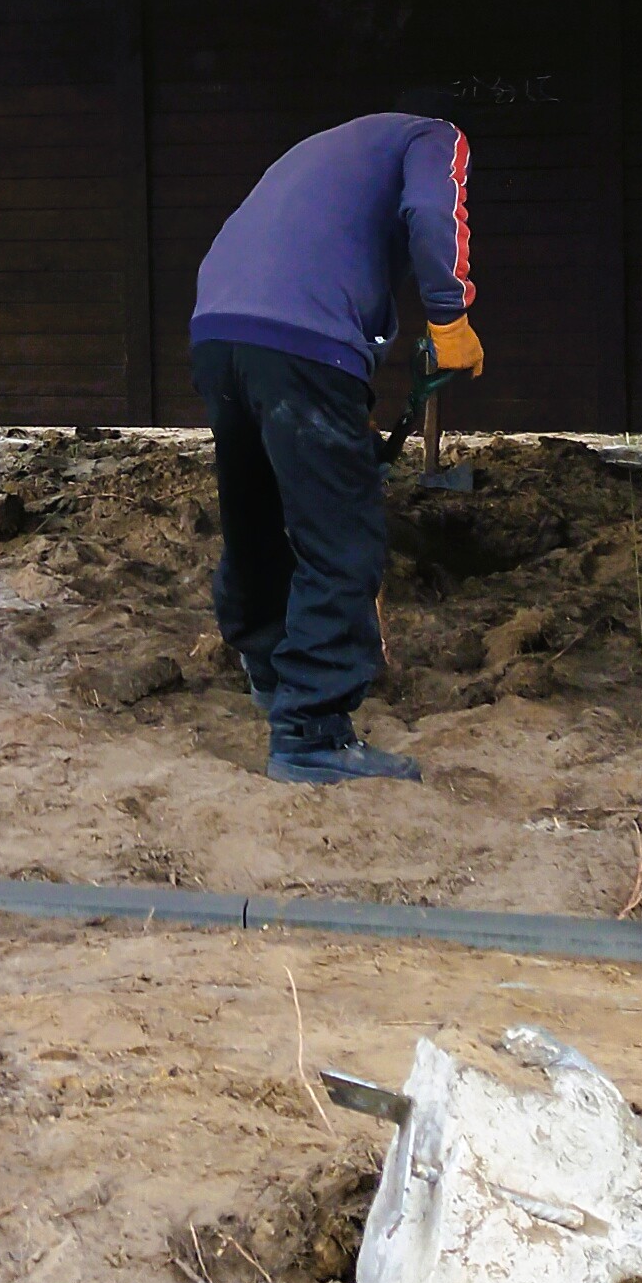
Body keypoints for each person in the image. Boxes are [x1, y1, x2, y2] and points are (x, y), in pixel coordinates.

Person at [188, 112, 481, 783]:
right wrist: (449, 315)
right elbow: (435, 213)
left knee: (255, 516)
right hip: (303, 341)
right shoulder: (435, 137)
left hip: (218, 330)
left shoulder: (320, 150)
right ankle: (311, 731)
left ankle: (267, 671)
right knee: (342, 538)